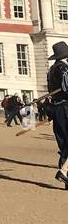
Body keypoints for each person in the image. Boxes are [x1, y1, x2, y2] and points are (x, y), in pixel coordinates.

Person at [46, 41, 68, 187]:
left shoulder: (52, 69)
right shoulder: (64, 69)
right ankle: (64, 171)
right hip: (65, 108)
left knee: (64, 145)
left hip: (56, 108)